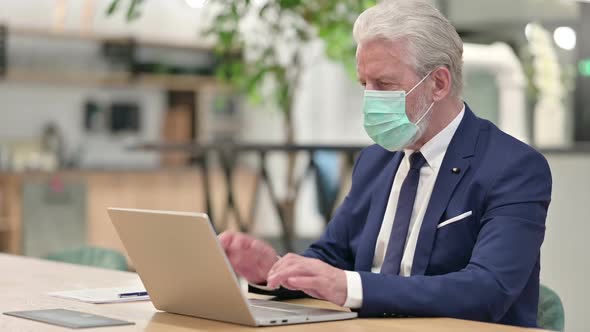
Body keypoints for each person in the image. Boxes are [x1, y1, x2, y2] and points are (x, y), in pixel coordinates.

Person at [219, 0, 552, 328]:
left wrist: (351, 287)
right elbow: (332, 255)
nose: (370, 99)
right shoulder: (376, 161)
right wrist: (273, 270)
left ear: (438, 83)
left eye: (384, 84)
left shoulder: (514, 168)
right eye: (365, 84)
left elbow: (487, 290)